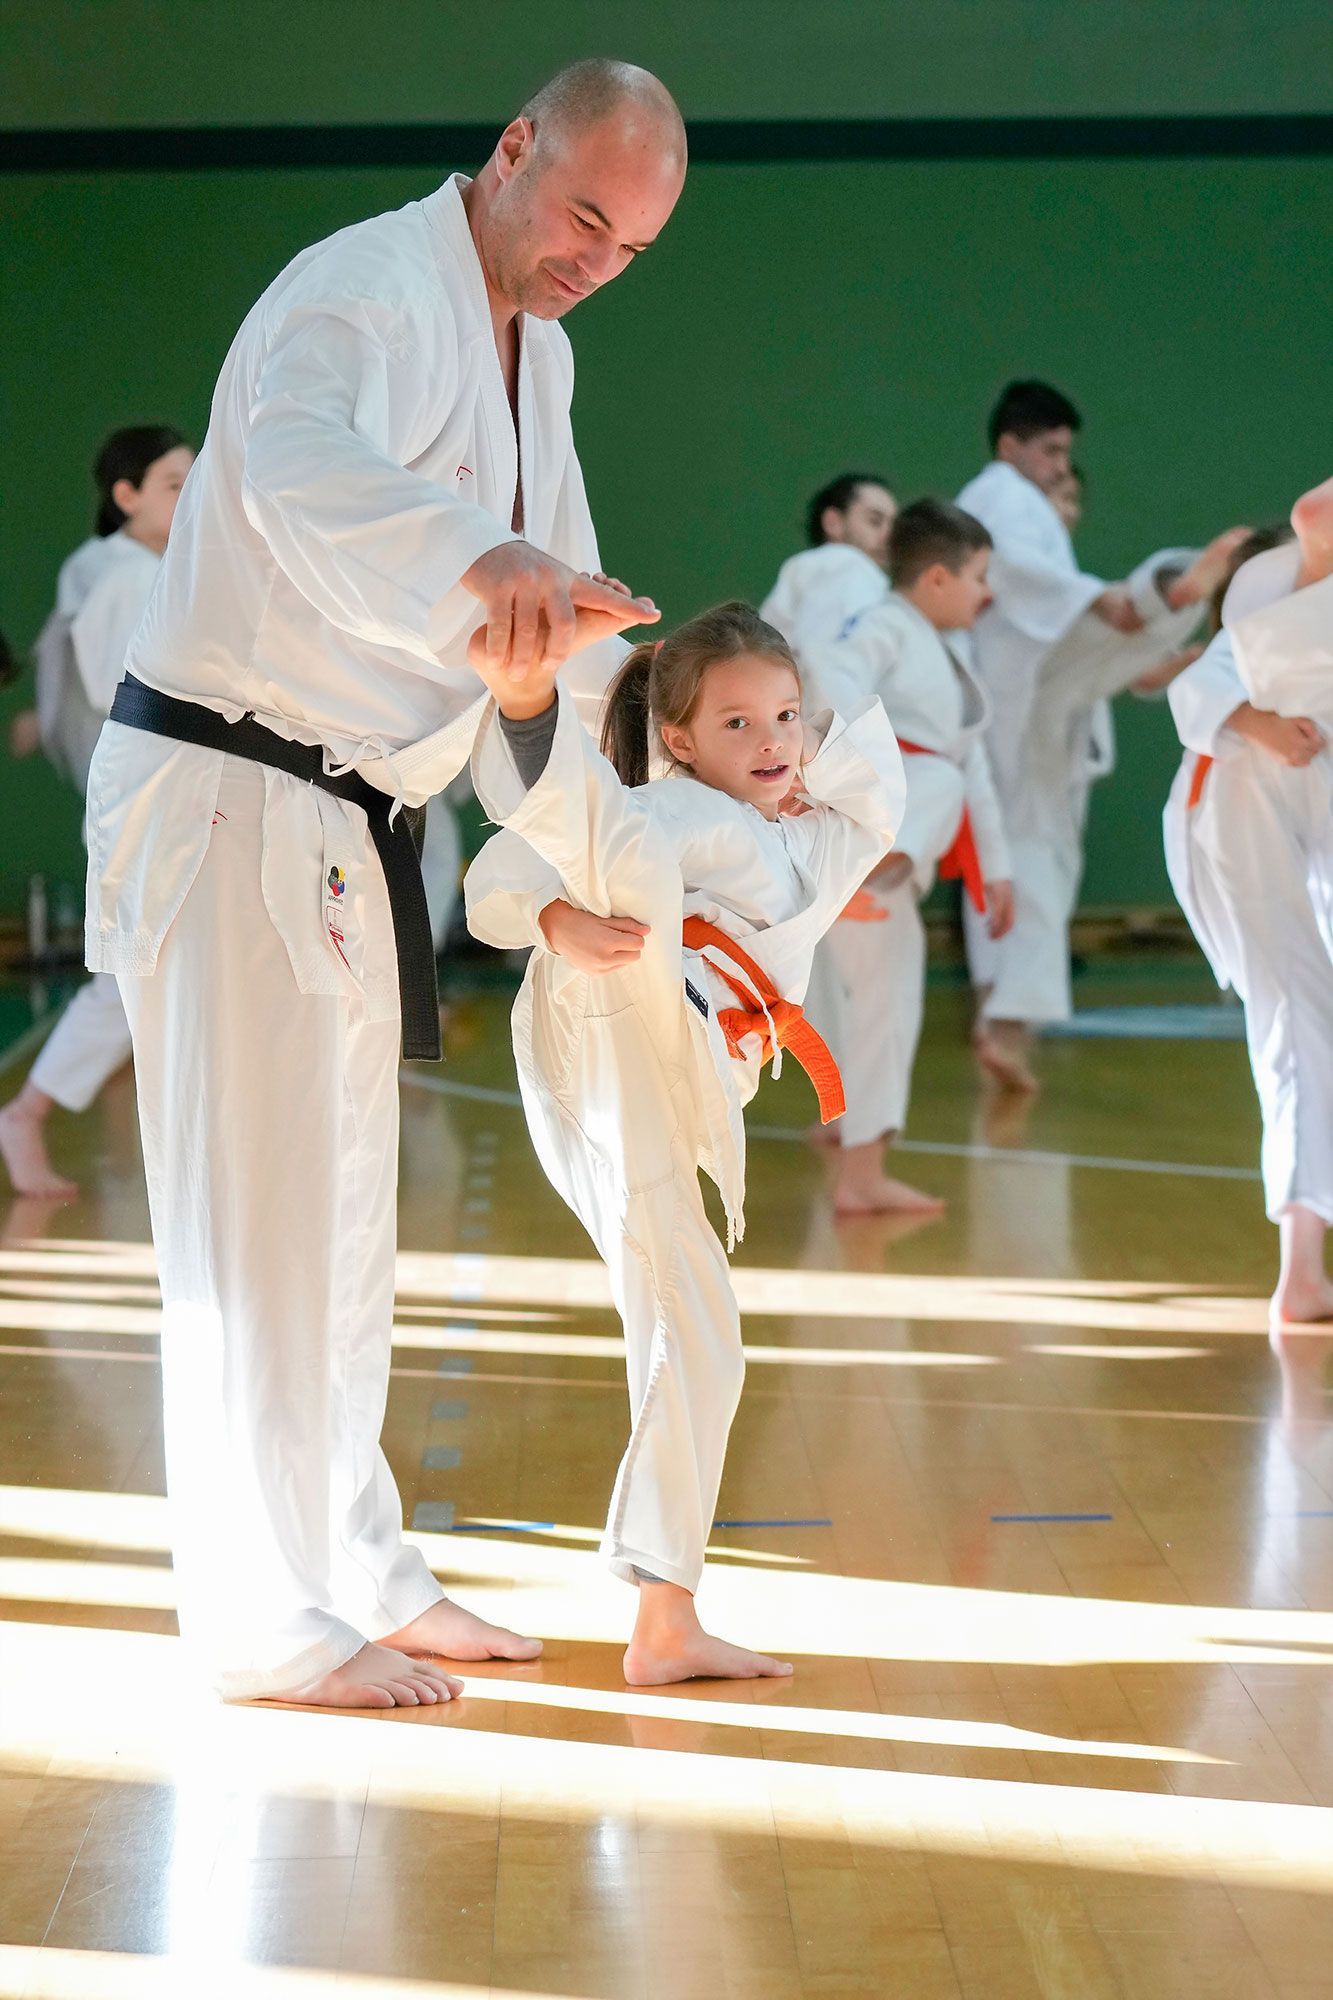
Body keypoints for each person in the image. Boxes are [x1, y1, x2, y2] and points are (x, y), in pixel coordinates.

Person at [82, 59, 686, 1709]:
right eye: (580, 215)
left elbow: (544, 599)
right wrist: (468, 563)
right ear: (509, 152)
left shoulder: (534, 357)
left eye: (627, 248)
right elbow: (284, 461)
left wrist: (556, 652)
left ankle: (357, 1568)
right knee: (253, 1227)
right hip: (230, 785)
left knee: (340, 1224)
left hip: (343, 819)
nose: (591, 262)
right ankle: (262, 1621)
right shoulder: (357, 285)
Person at [464, 600, 905, 1682]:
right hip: (619, 1018)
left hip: (694, 1059)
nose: (772, 744)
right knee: (692, 1320)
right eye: (738, 725)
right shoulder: (661, 815)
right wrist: (555, 919)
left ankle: (667, 1609)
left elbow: (876, 792)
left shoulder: (816, 833)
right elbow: (498, 886)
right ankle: (664, 1613)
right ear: (678, 738)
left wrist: (792, 763)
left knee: (681, 1318)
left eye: (788, 719)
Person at [957, 380, 1246, 1088]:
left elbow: (1136, 673)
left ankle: (998, 1010)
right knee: (1030, 857)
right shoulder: (996, 493)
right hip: (1019, 682)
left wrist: (1176, 654)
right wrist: (1100, 602)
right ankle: (1159, 592)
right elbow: (1023, 582)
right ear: (1010, 445)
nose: (1059, 465)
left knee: (1030, 858)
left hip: (1039, 700)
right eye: (1051, 450)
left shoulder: (1018, 505)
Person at [803, 498, 1013, 1214]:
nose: (987, 594)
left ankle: (849, 1146)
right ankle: (860, 1179)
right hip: (862, 832)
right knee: (884, 1008)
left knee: (872, 1002)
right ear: (933, 578)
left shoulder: (932, 644)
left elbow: (971, 768)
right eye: (978, 576)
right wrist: (849, 782)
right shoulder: (880, 626)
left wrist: (999, 867)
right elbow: (828, 680)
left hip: (877, 854)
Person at [0, 427, 194, 1199]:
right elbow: (136, 698)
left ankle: (38, 1112)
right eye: (174, 484)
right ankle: (28, 1112)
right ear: (126, 496)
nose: (191, 497)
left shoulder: (129, 570)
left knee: (152, 970)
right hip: (145, 803)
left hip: (156, 801)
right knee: (133, 969)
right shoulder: (116, 574)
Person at [1166, 486, 1333, 1327]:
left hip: (1290, 773)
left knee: (1296, 1019)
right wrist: (1255, 725)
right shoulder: (1241, 649)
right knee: (1297, 1015)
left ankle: (1302, 1266)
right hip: (1244, 787)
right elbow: (1200, 690)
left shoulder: (1256, 643)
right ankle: (1300, 1267)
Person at [761, 471, 895, 658]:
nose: (889, 537)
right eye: (875, 521)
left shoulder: (813, 569)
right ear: (833, 523)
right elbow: (824, 661)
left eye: (893, 527)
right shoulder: (845, 563)